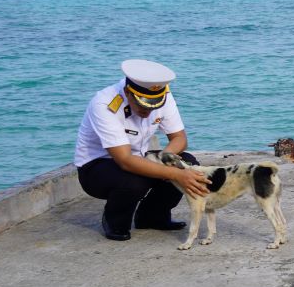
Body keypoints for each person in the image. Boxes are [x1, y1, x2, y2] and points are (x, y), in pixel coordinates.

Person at [75, 59, 209, 241]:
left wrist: (165, 160)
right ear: (128, 93)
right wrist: (173, 174)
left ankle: (152, 217)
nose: (148, 110)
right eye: (143, 105)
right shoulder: (105, 104)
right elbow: (124, 160)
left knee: (187, 163)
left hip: (136, 158)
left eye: (154, 105)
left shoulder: (163, 96)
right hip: (97, 168)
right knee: (135, 180)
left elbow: (179, 138)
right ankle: (115, 221)